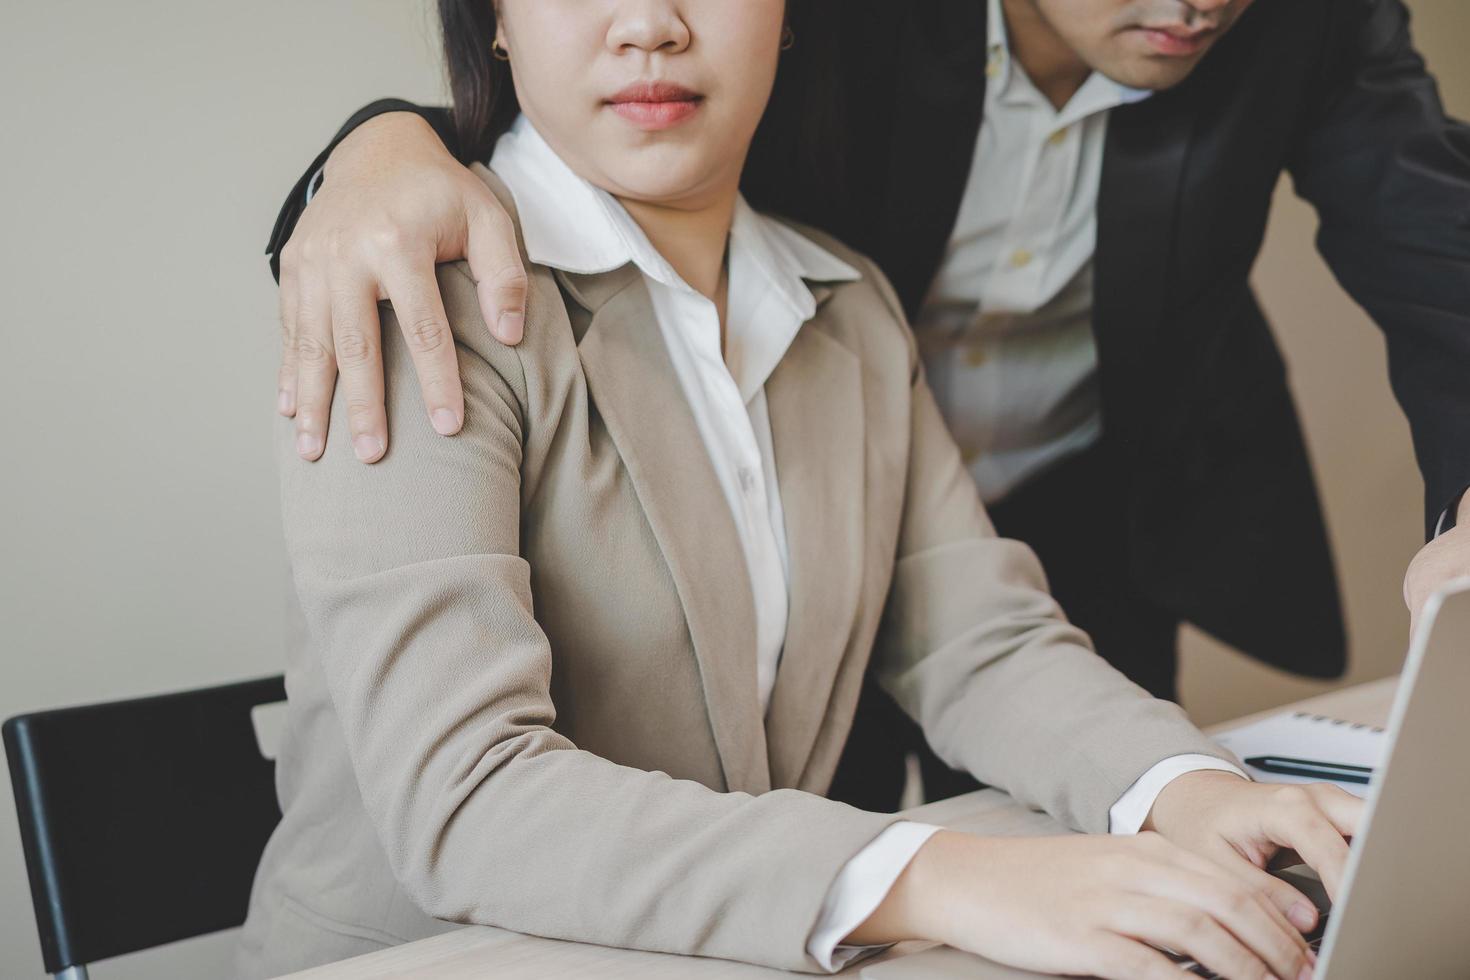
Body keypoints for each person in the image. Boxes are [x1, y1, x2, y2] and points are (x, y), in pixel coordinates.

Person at [242, 2, 1362, 979]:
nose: (650, 23)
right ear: (493, 14)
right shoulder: (407, 294)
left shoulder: (850, 305)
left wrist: (1187, 787)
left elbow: (978, 638)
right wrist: (951, 876)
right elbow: (468, 798)